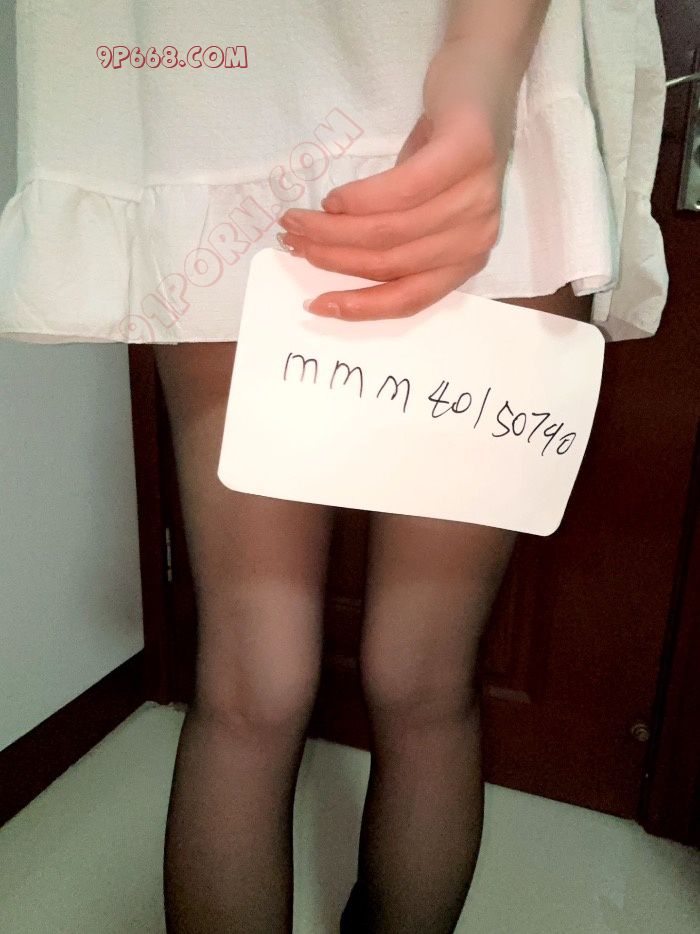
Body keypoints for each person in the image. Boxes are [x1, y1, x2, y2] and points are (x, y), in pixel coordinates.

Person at [0, 1, 667, 932]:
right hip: (435, 120)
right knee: (417, 678)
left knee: (257, 684)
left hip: (221, 125)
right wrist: (481, 60)